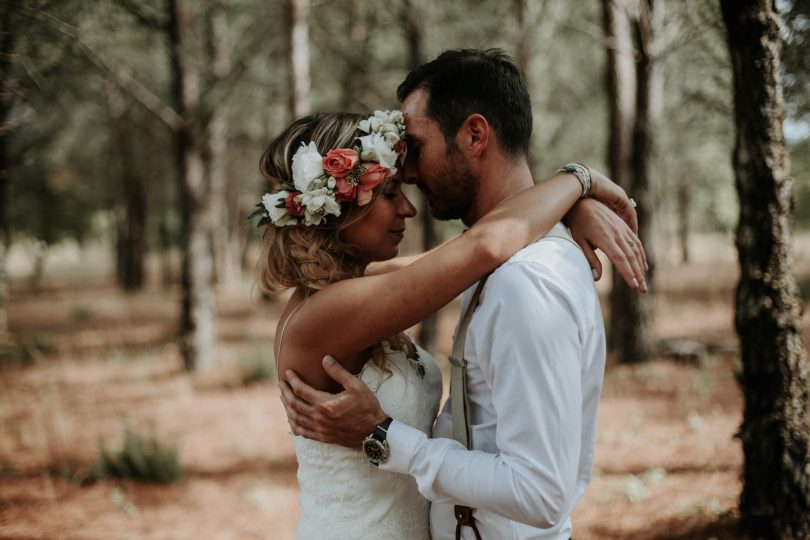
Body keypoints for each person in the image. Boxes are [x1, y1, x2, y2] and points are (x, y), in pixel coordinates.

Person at [279, 50, 646, 539]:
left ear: (475, 135)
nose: (408, 192)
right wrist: (578, 182)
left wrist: (567, 211)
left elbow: (478, 252)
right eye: (387, 191)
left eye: (414, 151)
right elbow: (482, 247)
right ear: (337, 209)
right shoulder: (327, 311)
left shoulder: (517, 279)